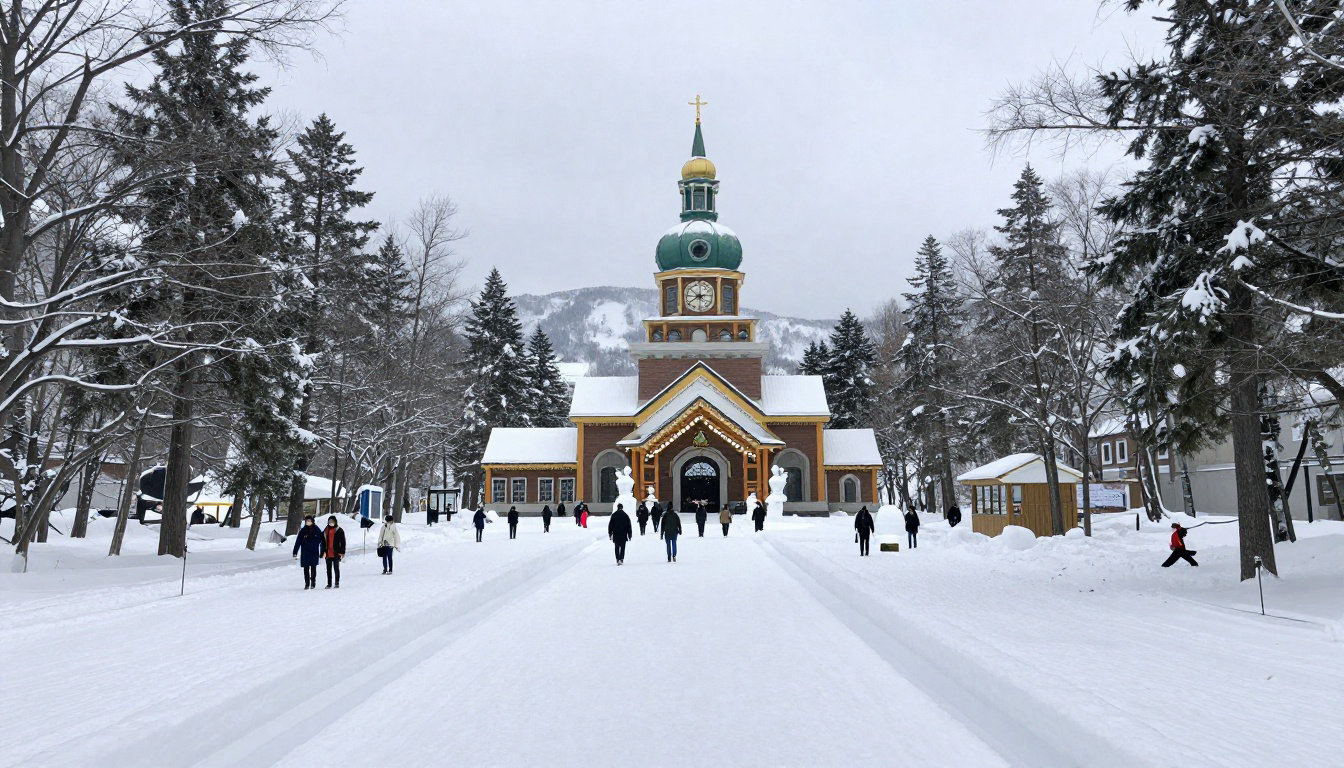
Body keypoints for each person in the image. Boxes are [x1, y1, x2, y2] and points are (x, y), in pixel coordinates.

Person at [292, 514, 322, 589]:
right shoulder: (303, 530)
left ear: (312, 521)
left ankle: (313, 582)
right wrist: (295, 552)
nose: (308, 522)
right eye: (306, 521)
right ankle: (307, 583)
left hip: (314, 551)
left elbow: (321, 540)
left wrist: (322, 551)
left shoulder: (317, 529)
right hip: (305, 552)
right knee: (306, 568)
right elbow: (298, 541)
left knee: (313, 568)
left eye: (309, 521)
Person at [322, 515, 346, 589]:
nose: (331, 523)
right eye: (329, 522)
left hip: (336, 553)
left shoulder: (339, 530)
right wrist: (323, 551)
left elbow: (343, 542)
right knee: (328, 569)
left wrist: (342, 552)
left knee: (336, 568)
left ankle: (337, 583)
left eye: (332, 522)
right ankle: (329, 583)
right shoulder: (326, 530)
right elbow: (323, 542)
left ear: (335, 522)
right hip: (328, 553)